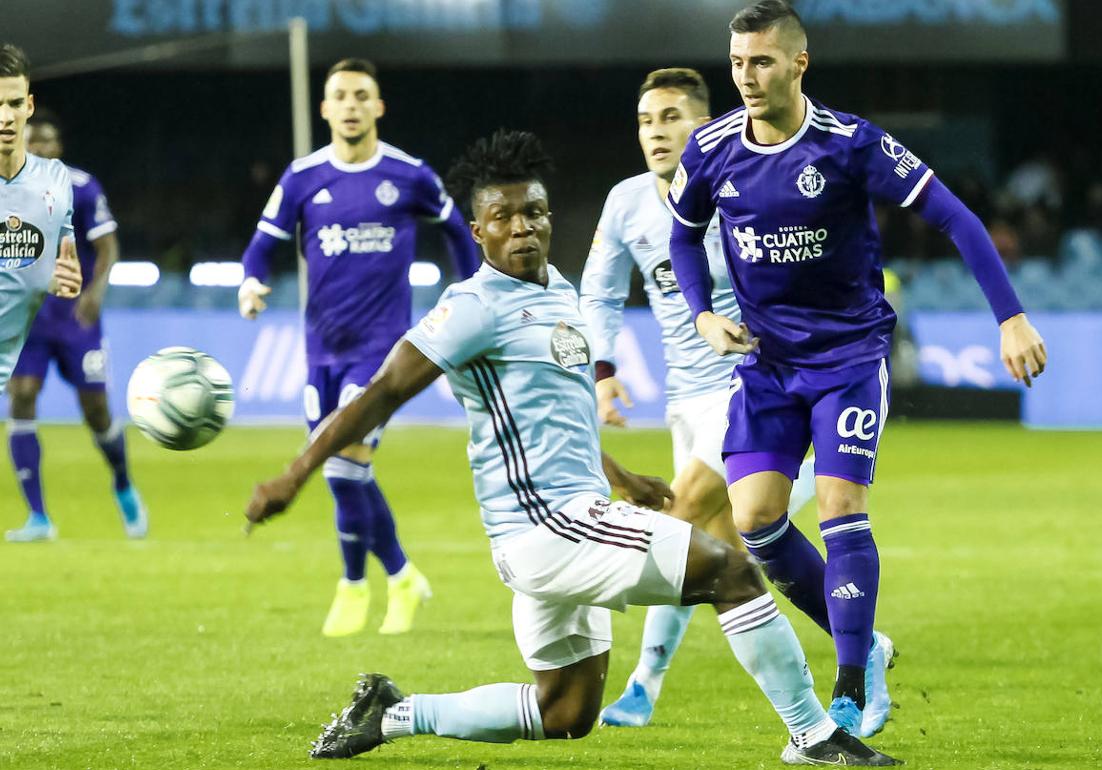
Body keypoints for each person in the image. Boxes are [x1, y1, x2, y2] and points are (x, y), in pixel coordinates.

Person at [244, 129, 899, 767]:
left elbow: (554, 412)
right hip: (548, 528)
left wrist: (618, 476)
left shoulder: (559, 292)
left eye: (533, 211)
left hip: (570, 519)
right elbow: (381, 392)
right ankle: (814, 736)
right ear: (479, 233)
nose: (522, 226)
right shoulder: (472, 306)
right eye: (503, 216)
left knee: (565, 712)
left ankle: (389, 713)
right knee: (730, 572)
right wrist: (294, 475)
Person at [666, 0, 1047, 737]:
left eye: (763, 62)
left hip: (847, 357)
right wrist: (703, 313)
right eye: (738, 62)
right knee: (755, 523)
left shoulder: (848, 144)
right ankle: (866, 643)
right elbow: (685, 236)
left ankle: (849, 686)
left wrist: (1010, 316)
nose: (747, 76)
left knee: (841, 508)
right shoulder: (711, 148)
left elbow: (956, 218)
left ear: (799, 63)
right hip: (767, 363)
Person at [583, 68, 900, 732]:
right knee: (716, 557)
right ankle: (856, 657)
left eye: (671, 117)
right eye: (646, 120)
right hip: (684, 397)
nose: (656, 132)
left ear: (704, 125)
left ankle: (640, 675)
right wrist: (605, 368)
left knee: (677, 515)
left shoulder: (740, 184)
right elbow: (602, 291)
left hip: (751, 383)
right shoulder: (626, 204)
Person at [238, 57, 479, 637]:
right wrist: (251, 282)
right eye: (340, 95)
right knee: (340, 472)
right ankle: (402, 577)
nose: (350, 105)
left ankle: (354, 585)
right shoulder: (302, 178)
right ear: (325, 109)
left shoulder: (410, 174)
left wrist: (474, 297)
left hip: (382, 352)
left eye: (361, 95)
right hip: (319, 349)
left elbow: (457, 231)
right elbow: (261, 245)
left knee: (344, 465)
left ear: (378, 106)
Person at [6, 112, 146, 543]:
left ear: (59, 147)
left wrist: (96, 292)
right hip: (25, 318)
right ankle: (38, 517)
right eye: (34, 141)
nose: (42, 148)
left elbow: (107, 246)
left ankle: (122, 482)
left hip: (74, 317)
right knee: (22, 396)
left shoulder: (81, 187)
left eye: (49, 141)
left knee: (96, 410)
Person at [0, 43, 83, 536]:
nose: (4, 117)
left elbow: (59, 261)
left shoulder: (54, 181)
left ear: (28, 106)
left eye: (13, 104)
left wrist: (62, 279)